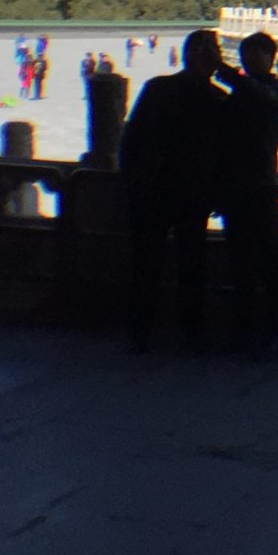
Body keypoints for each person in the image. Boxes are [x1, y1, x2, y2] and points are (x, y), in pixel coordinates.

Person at [120, 29, 226, 353]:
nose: (209, 55)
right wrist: (134, 182)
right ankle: (140, 332)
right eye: (203, 49)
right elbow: (132, 137)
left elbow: (226, 151)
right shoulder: (158, 88)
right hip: (154, 191)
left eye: (214, 49)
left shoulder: (220, 99)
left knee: (192, 265)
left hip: (194, 195)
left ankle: (192, 331)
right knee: (146, 265)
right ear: (187, 54)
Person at [220, 32, 278, 354]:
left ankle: (275, 329)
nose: (249, 63)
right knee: (240, 265)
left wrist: (226, 73)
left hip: (262, 186)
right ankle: (244, 330)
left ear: (269, 57)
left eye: (256, 56)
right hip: (235, 187)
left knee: (269, 262)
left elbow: (263, 97)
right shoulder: (239, 95)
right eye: (245, 56)